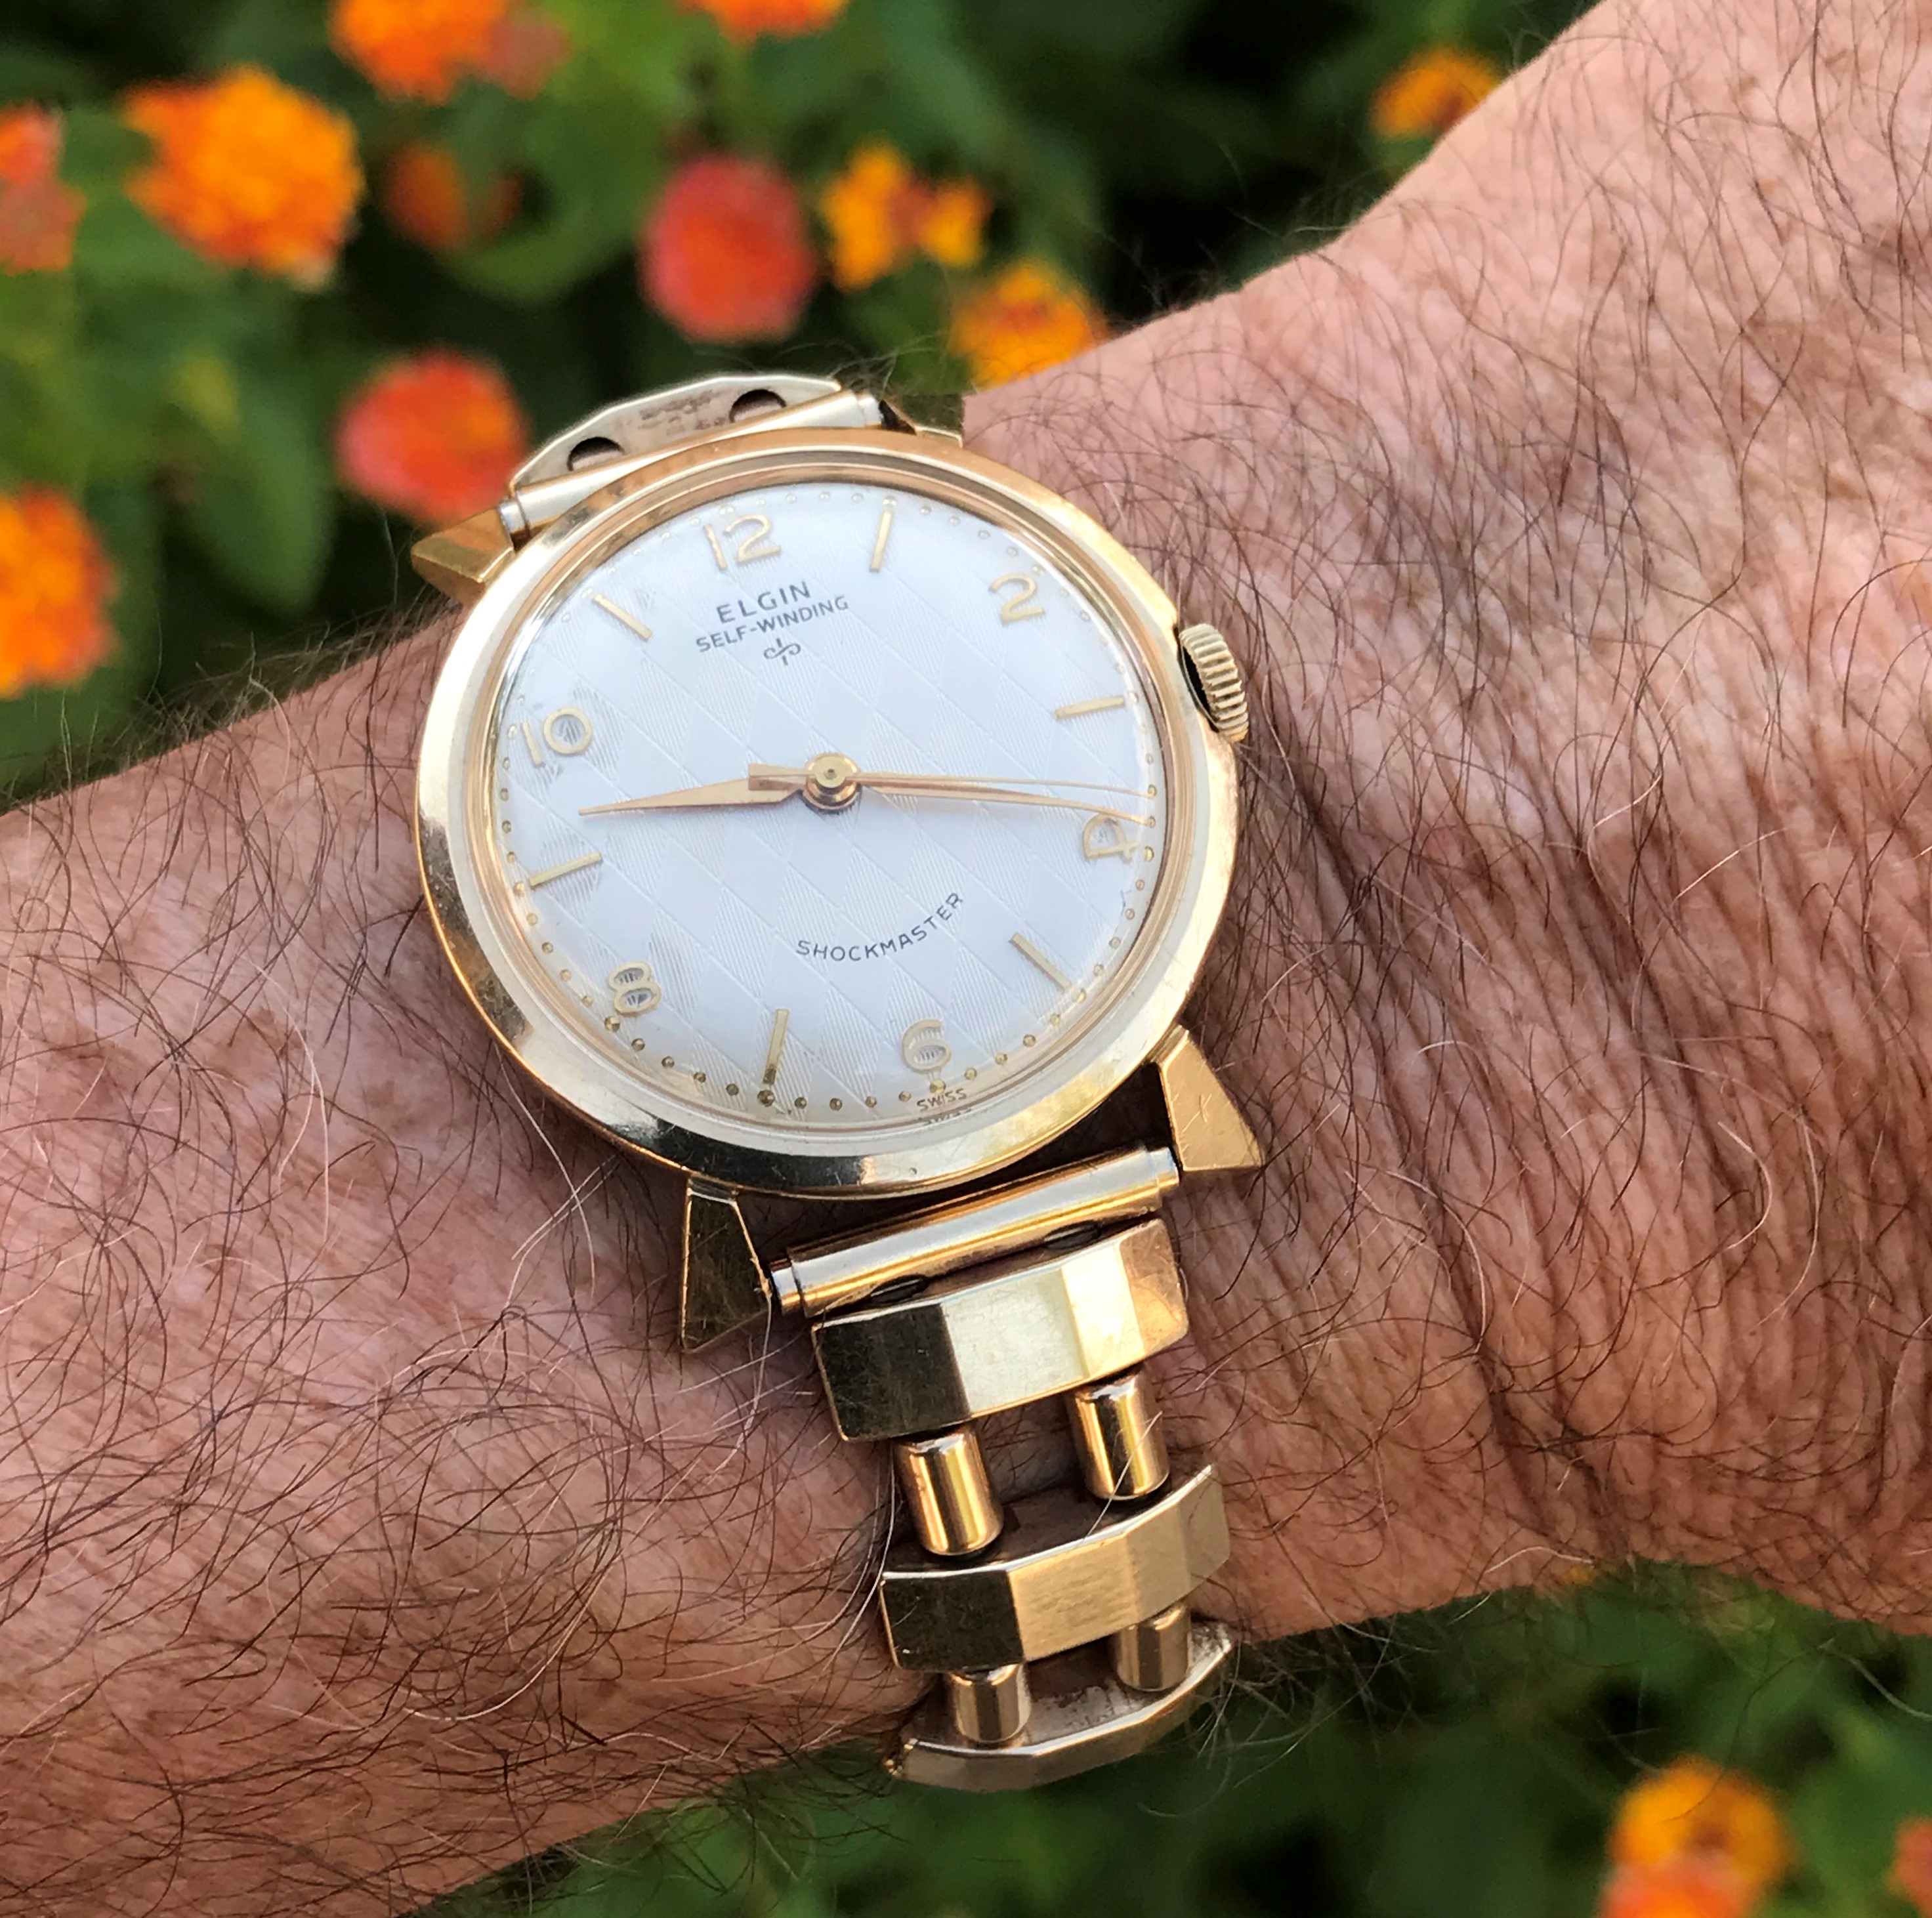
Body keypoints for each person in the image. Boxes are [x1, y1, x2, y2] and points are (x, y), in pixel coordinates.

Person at [4, 0, 1927, 1906]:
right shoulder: (538, 818)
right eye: (795, 775)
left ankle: (1040, 1585)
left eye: (850, 755)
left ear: (1195, 686)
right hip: (819, 1158)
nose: (833, 782)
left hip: (970, 1082)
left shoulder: (1038, 677)